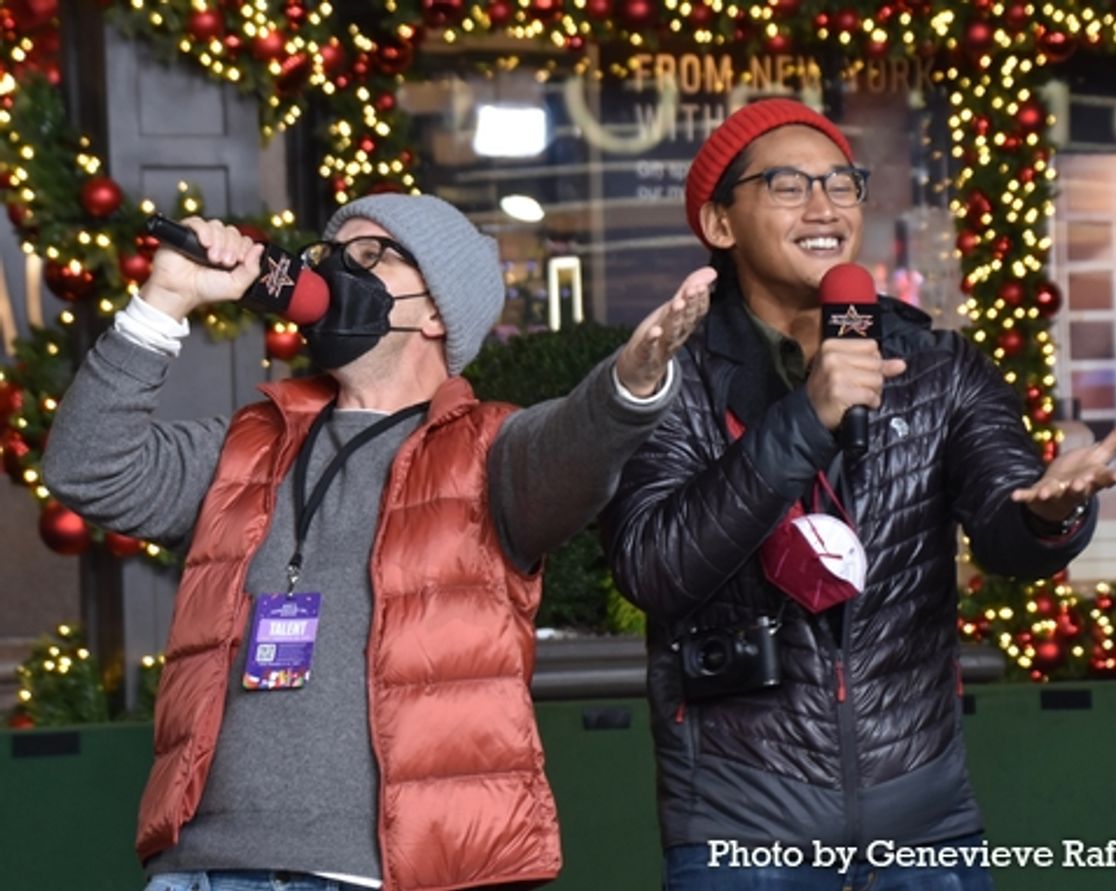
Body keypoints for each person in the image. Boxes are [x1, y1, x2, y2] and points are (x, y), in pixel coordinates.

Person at [42, 193, 714, 891]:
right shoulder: (246, 444)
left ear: (435, 312)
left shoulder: (488, 451)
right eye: (329, 257)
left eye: (369, 256)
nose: (336, 274)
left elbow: (571, 446)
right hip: (205, 870)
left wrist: (630, 384)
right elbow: (87, 467)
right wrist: (165, 300)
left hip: (382, 874)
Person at [600, 98, 1116, 890]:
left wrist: (1054, 511)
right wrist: (805, 420)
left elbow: (1007, 525)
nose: (824, 207)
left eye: (841, 184)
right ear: (720, 223)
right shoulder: (670, 378)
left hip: (926, 826)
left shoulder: (940, 366)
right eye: (788, 185)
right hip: (742, 830)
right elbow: (652, 565)